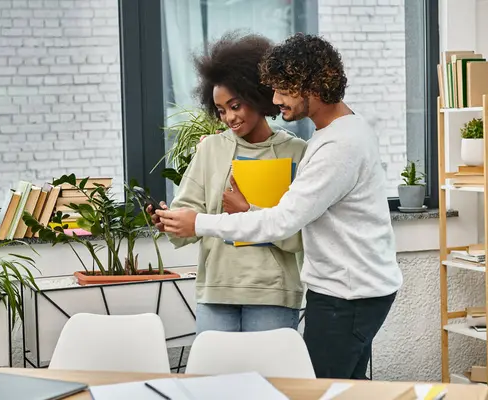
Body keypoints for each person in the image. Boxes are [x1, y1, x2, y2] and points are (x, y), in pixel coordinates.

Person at [153, 33, 403, 380]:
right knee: (345, 388)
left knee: (315, 390)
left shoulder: (335, 147)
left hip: (346, 297)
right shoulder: (338, 134)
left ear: (311, 86)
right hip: (343, 292)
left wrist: (201, 222)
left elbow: (283, 222)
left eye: (282, 89)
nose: (275, 99)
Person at [155, 32, 307, 334]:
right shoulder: (210, 149)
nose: (229, 118)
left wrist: (246, 210)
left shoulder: (297, 153)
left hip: (273, 295)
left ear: (257, 94)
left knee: (270, 380)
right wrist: (170, 223)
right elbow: (187, 221)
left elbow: (301, 237)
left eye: (235, 106)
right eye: (221, 110)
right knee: (215, 381)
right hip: (216, 292)